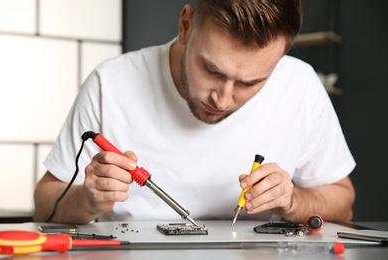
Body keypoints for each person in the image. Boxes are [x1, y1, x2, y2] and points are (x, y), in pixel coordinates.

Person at [33, 0, 355, 225]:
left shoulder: (300, 84)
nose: (224, 98)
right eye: (212, 69)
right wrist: (88, 201)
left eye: (251, 82)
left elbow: (344, 202)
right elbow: (43, 202)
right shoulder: (110, 83)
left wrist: (294, 201)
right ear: (186, 26)